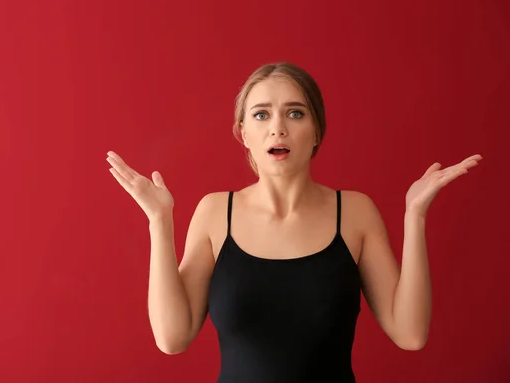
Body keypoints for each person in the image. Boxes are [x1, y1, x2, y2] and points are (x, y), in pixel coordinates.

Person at [106, 62, 482, 382]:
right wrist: (159, 220)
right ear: (244, 134)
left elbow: (410, 333)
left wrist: (414, 215)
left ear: (316, 131)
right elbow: (173, 338)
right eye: (261, 114)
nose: (278, 128)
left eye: (295, 112)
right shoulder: (215, 213)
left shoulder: (355, 212)